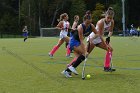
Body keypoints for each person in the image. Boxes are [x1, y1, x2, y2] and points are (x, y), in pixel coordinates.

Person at [61, 11, 99, 78]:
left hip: (78, 42)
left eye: (90, 23)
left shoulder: (91, 26)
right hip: (73, 42)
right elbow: (81, 40)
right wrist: (85, 51)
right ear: (84, 21)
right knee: (84, 54)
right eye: (87, 23)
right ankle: (72, 67)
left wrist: (92, 38)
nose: (88, 25)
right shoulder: (80, 27)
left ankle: (66, 71)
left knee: (79, 58)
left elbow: (97, 33)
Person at [86, 7, 116, 72]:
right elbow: (99, 34)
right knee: (85, 54)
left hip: (99, 39)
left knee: (110, 49)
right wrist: (105, 44)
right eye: (108, 18)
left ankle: (106, 67)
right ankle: (70, 67)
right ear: (105, 16)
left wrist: (108, 37)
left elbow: (111, 31)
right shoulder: (101, 22)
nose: (109, 19)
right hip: (93, 38)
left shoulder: (112, 22)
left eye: (111, 18)